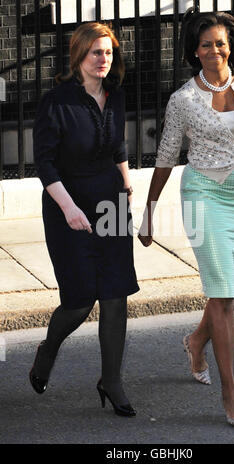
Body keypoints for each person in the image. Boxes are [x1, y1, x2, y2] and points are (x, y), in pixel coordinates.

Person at [138, 10, 234, 429]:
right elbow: (166, 157)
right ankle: (229, 390)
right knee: (222, 294)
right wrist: (147, 212)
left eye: (220, 43)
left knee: (232, 291)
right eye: (205, 45)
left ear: (230, 45)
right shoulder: (183, 100)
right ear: (194, 52)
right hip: (203, 193)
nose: (214, 50)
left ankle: (196, 340)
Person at [30, 22, 139, 417]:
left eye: (108, 52)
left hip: (111, 203)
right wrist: (69, 208)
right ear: (78, 56)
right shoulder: (56, 101)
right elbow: (44, 162)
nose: (103, 59)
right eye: (96, 52)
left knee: (115, 295)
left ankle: (111, 381)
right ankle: (48, 350)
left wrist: (127, 188)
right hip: (68, 207)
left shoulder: (116, 95)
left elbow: (119, 146)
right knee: (79, 301)